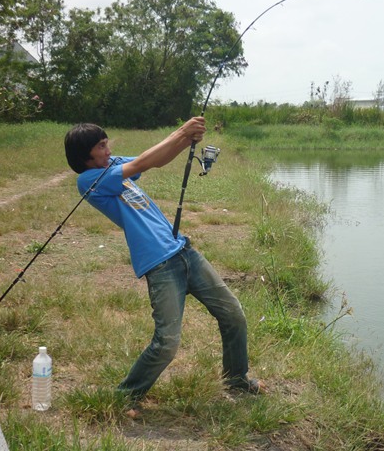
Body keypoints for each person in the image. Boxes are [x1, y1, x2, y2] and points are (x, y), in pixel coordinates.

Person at [64, 118, 264, 416]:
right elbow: (143, 161)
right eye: (101, 146)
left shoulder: (110, 165)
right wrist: (182, 132)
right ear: (85, 157)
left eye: (107, 143)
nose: (109, 150)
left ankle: (236, 380)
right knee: (167, 342)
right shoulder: (90, 180)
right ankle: (125, 396)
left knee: (233, 314)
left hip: (184, 251)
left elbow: (153, 160)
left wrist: (184, 139)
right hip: (160, 265)